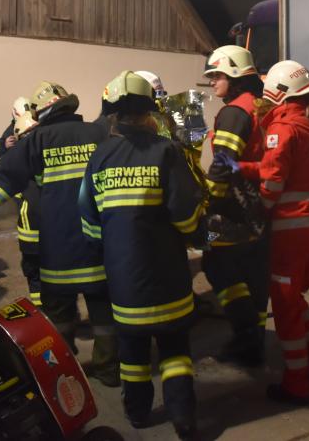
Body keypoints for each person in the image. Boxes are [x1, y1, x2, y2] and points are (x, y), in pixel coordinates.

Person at [0, 82, 118, 386]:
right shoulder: (99, 134)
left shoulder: (37, 141)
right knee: (105, 315)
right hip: (100, 246)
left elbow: (2, 182)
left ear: (39, 113)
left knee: (59, 317)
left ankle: (66, 370)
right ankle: (109, 370)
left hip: (58, 252)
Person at [80, 72, 206, 438]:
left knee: (133, 353)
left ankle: (137, 414)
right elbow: (186, 215)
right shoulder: (166, 151)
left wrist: (112, 248)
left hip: (124, 279)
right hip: (168, 275)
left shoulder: (99, 157)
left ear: (112, 115)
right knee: (175, 348)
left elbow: (88, 220)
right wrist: (202, 235)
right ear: (149, 112)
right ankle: (183, 418)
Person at [244, 60, 309, 405]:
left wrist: (257, 212)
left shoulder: (282, 128)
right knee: (295, 298)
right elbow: (290, 168)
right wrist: (244, 167)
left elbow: (273, 182)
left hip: (292, 233)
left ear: (278, 92)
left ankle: (297, 383)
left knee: (285, 310)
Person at [201, 44, 270, 365]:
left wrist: (208, 202)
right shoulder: (259, 106)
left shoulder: (233, 112)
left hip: (230, 208)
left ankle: (245, 336)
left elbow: (224, 163)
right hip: (258, 206)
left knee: (217, 266)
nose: (212, 81)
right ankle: (255, 341)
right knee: (254, 274)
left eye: (217, 75)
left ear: (235, 75)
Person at [11, 109, 43, 306]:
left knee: (35, 274)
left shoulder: (17, 161)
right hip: (54, 230)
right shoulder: (50, 156)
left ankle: (44, 312)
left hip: (31, 232)